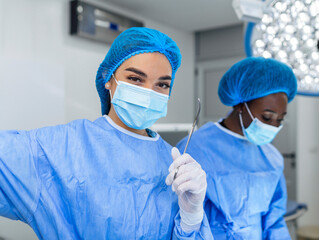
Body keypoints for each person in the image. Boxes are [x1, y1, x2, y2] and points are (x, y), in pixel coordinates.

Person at [0, 27, 213, 239]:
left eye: (162, 84)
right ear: (108, 79)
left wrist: (191, 219)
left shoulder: (175, 167)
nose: (149, 93)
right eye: (136, 79)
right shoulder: (60, 148)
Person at [177, 57, 298, 239]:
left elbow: (274, 220)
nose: (273, 126)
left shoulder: (271, 157)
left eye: (279, 120)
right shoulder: (195, 148)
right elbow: (182, 218)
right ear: (241, 105)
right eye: (266, 117)